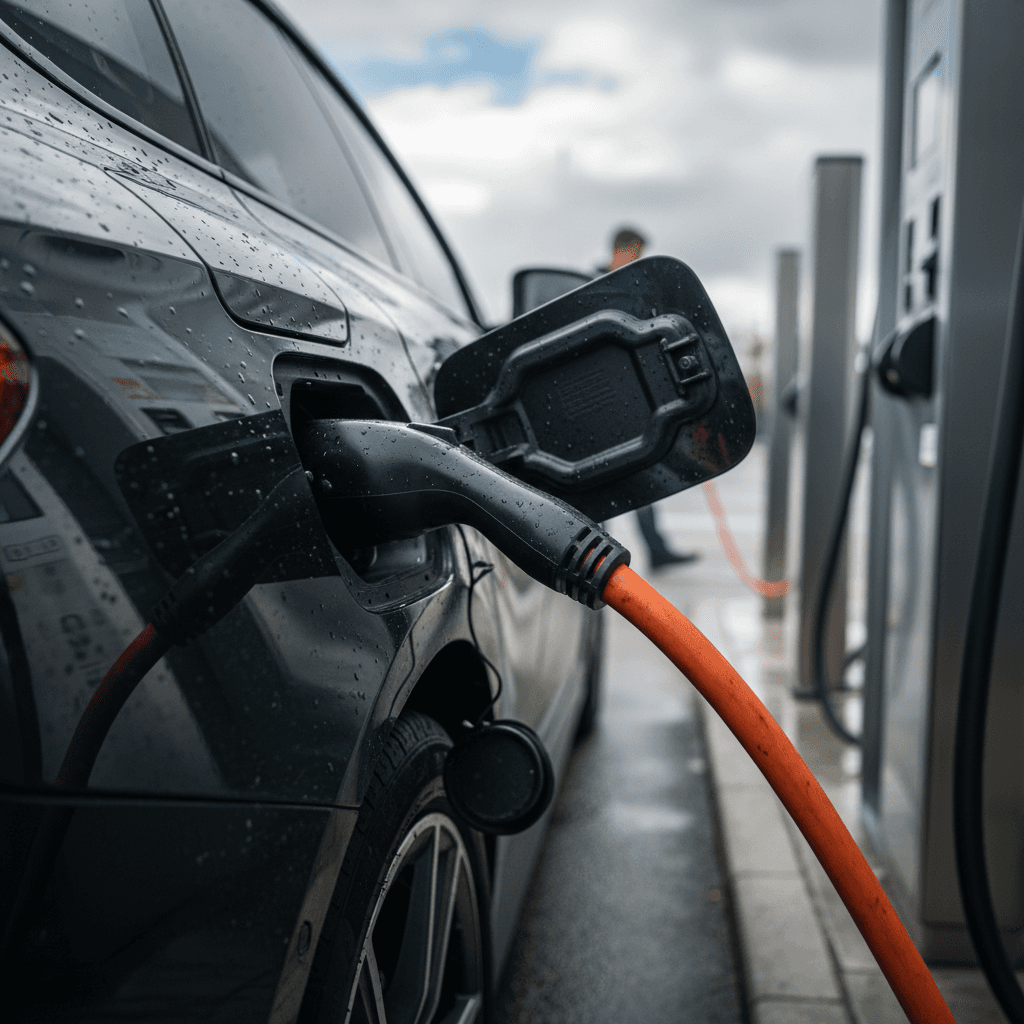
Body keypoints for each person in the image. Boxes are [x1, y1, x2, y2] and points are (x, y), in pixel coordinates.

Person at [605, 227, 699, 569]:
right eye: (636, 252)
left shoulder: (636, 291)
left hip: (632, 402)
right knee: (603, 485)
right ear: (623, 249)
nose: (639, 260)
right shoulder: (590, 287)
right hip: (603, 404)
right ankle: (596, 556)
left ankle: (656, 550)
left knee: (641, 478)